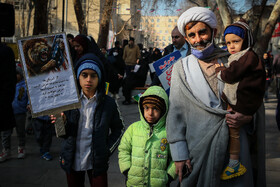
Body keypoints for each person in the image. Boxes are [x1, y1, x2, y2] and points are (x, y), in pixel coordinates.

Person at [166, 7, 265, 186]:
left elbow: (255, 97)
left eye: (202, 32)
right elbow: (175, 114)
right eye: (192, 35)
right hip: (198, 149)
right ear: (186, 38)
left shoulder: (235, 60)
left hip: (236, 149)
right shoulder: (181, 68)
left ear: (214, 31)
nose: (198, 39)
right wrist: (179, 155)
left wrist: (248, 117)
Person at [51, 53, 124, 187]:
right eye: (84, 75)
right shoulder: (67, 101)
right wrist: (61, 122)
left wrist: (107, 150)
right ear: (78, 77)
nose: (88, 80)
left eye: (93, 75)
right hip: (72, 159)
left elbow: (119, 129)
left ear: (99, 78)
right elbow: (61, 134)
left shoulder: (108, 103)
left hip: (97, 161)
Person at [215, 20, 265, 180]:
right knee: (233, 133)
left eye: (236, 41)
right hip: (238, 103)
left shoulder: (247, 56)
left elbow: (231, 74)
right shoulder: (240, 56)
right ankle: (234, 161)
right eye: (228, 42)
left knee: (234, 133)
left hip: (242, 104)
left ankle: (234, 163)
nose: (231, 46)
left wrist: (220, 72)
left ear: (246, 41)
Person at [118, 86, 176, 186]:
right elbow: (124, 150)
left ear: (163, 110)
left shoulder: (168, 132)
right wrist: (126, 169)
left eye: (155, 109)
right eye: (146, 108)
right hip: (134, 182)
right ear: (141, 108)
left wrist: (169, 175)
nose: (150, 113)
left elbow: (176, 156)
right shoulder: (133, 129)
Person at [0, 65, 28, 162]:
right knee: (6, 132)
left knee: (20, 131)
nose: (15, 76)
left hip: (20, 112)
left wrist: (28, 104)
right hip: (7, 112)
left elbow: (29, 97)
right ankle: (6, 150)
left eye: (16, 74)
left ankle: (21, 147)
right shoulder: (6, 84)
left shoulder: (25, 86)